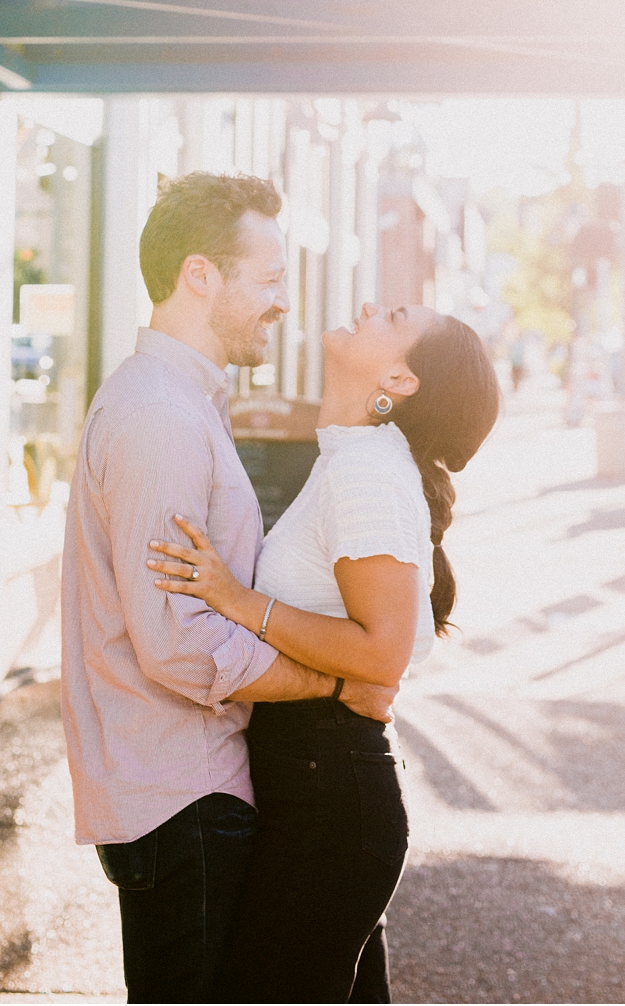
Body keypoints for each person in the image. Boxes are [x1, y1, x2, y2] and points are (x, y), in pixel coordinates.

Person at [61, 173, 395, 1005]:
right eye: (271, 279)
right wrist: (336, 680)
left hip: (193, 788)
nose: (283, 303)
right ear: (201, 276)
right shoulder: (159, 419)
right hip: (183, 798)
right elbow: (179, 640)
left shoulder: (184, 404)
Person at [147, 299, 501, 1003]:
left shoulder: (366, 469)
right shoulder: (353, 457)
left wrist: (238, 600)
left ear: (400, 381)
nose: (370, 306)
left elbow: (382, 654)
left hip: (330, 804)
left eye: (394, 317)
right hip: (319, 791)